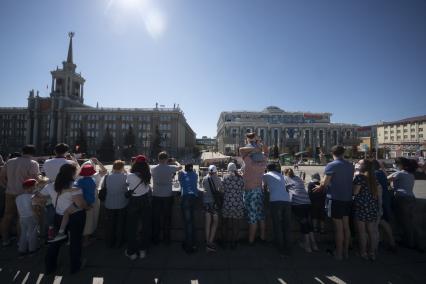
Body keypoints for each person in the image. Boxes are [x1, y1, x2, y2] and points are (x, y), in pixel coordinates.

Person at [37, 163, 88, 274]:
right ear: (73, 173)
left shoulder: (50, 186)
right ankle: (75, 266)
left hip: (59, 216)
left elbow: (38, 198)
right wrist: (86, 205)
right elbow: (80, 204)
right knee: (75, 241)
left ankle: (49, 267)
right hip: (76, 216)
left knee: (56, 241)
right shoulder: (74, 187)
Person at [315, 145, 354, 260]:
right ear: (343, 153)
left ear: (332, 153)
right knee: (346, 227)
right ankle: (346, 252)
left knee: (339, 228)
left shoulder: (331, 165)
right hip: (347, 198)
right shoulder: (350, 165)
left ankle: (339, 253)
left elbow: (325, 184)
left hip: (336, 198)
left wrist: (322, 179)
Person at [0, 145, 40, 247]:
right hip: (24, 194)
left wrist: (6, 186)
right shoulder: (33, 163)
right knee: (21, 217)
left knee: (7, 216)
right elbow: (36, 179)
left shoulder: (10, 161)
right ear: (33, 153)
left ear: (22, 151)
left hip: (9, 192)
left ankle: (5, 239)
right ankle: (20, 241)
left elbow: (2, 176)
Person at [48, 164, 97, 243]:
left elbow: (74, 189)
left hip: (80, 202)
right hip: (90, 200)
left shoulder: (80, 181)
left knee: (66, 212)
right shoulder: (93, 180)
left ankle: (61, 232)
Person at [42, 143, 79, 241]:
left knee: (51, 210)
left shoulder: (47, 162)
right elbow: (78, 173)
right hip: (67, 189)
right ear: (66, 152)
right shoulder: (70, 163)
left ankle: (51, 233)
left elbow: (44, 174)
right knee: (68, 212)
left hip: (52, 188)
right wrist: (74, 159)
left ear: (55, 151)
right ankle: (67, 235)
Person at [239, 135, 268, 245]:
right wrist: (259, 143)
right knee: (260, 215)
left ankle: (251, 241)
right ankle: (263, 237)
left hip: (250, 191)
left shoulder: (249, 162)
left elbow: (241, 150)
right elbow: (266, 150)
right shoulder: (264, 162)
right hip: (259, 191)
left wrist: (253, 145)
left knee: (252, 217)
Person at [388, 157, 422, 251]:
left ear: (400, 165)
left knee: (405, 222)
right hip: (411, 198)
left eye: (396, 163)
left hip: (402, 198)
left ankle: (409, 243)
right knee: (412, 222)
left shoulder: (399, 173)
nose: (394, 165)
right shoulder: (411, 174)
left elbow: (386, 179)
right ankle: (418, 243)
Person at [151, 152, 182, 245]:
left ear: (158, 158)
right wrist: (176, 161)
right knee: (167, 218)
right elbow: (180, 167)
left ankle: (155, 239)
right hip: (167, 196)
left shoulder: (153, 168)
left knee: (156, 219)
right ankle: (166, 240)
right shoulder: (170, 168)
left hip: (156, 195)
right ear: (166, 159)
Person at [125, 155, 152, 260]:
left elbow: (127, 185)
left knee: (132, 227)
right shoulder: (147, 175)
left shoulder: (130, 175)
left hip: (134, 202)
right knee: (145, 226)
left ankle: (132, 252)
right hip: (145, 201)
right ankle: (142, 250)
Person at [284, 168, 318, 253]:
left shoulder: (285, 179)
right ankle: (314, 244)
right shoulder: (298, 178)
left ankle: (307, 246)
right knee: (309, 223)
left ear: (285, 173)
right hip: (307, 202)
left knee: (304, 224)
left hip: (298, 204)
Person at [353, 159, 380, 260]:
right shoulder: (373, 177)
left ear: (362, 166)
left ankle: (363, 253)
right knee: (371, 231)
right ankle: (372, 253)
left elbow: (355, 192)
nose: (357, 164)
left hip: (361, 207)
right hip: (372, 206)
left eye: (358, 163)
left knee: (362, 232)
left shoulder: (360, 177)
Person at [262, 163, 292, 256]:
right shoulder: (281, 175)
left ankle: (280, 247)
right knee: (286, 225)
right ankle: (288, 246)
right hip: (287, 201)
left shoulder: (266, 175)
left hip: (275, 201)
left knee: (277, 224)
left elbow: (264, 187)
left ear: (267, 169)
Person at [103, 160, 129, 248]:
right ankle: (119, 242)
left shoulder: (107, 177)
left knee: (110, 224)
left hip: (109, 203)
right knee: (120, 224)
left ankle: (109, 242)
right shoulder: (125, 176)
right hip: (121, 203)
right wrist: (125, 172)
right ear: (122, 167)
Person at [372, 159, 396, 251]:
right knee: (383, 221)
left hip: (379, 200)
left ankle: (388, 242)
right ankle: (388, 241)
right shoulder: (381, 173)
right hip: (385, 199)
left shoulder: (375, 174)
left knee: (381, 221)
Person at [222, 162, 245, 249]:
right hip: (237, 204)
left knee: (225, 223)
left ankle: (225, 242)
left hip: (227, 204)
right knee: (236, 224)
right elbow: (243, 190)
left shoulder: (225, 177)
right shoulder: (240, 178)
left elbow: (222, 190)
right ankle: (234, 242)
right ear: (235, 169)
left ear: (228, 169)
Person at [16, 179, 40, 257]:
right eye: (35, 186)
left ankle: (21, 250)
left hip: (22, 217)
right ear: (31, 187)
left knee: (23, 233)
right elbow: (34, 209)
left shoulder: (18, 198)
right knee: (32, 233)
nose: (36, 188)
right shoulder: (32, 197)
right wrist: (37, 217)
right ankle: (32, 249)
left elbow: (18, 210)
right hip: (31, 217)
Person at [178, 163, 199, 253]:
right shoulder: (195, 175)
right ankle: (193, 243)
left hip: (186, 198)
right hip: (194, 198)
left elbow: (180, 178)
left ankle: (189, 245)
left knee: (188, 223)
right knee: (192, 221)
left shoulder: (182, 174)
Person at [202, 165, 223, 252]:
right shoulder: (218, 179)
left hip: (206, 202)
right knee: (215, 222)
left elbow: (203, 189)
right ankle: (210, 242)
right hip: (214, 203)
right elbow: (221, 189)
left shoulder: (204, 178)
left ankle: (207, 242)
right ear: (215, 171)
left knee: (207, 223)